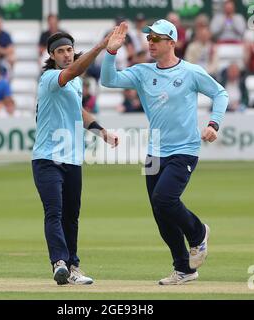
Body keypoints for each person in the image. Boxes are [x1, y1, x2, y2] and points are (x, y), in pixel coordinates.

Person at [101, 20, 228, 285]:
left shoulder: (191, 72)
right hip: (154, 152)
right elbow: (108, 80)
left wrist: (214, 123)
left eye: (156, 39)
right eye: (149, 39)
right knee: (161, 214)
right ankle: (184, 270)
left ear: (172, 43)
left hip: (184, 150)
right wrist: (111, 52)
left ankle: (198, 233)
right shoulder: (143, 72)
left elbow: (220, 93)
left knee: (165, 199)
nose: (151, 43)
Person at [32, 31, 118, 286]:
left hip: (72, 159)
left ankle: (73, 268)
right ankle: (59, 263)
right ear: (51, 55)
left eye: (69, 50)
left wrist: (101, 131)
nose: (66, 55)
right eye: (60, 51)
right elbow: (73, 71)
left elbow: (78, 112)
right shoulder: (49, 77)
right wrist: (101, 46)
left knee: (71, 216)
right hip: (47, 158)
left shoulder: (75, 82)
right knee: (54, 212)